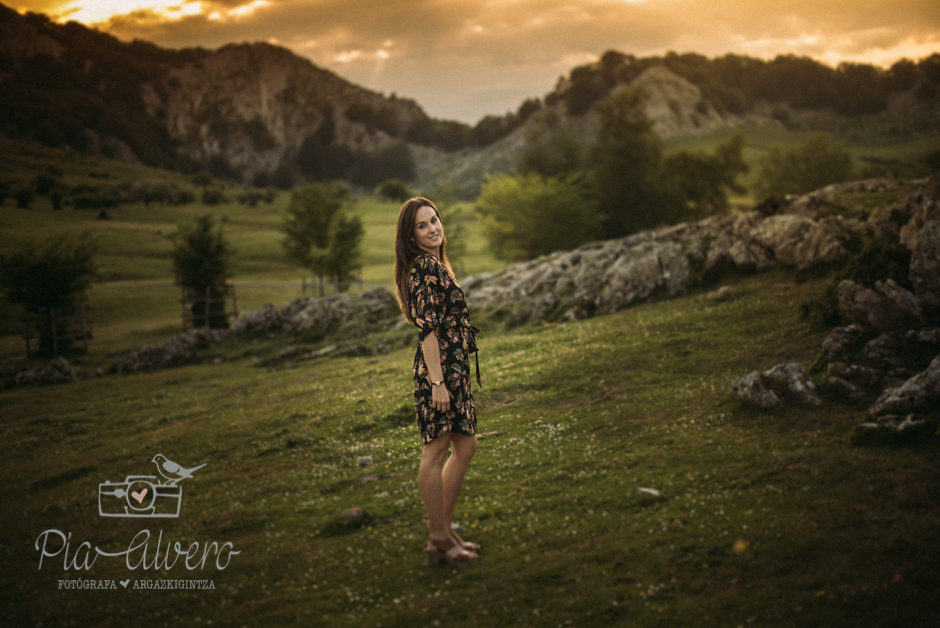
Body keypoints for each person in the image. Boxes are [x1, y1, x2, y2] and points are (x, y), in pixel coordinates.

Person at [394, 197, 481, 566]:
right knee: (436, 450)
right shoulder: (424, 268)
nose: (434, 228)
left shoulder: (435, 265)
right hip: (440, 372)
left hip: (454, 371)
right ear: (411, 237)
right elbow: (427, 330)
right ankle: (438, 538)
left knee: (466, 446)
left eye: (435, 220)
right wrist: (438, 383)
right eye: (423, 225)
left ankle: (443, 532)